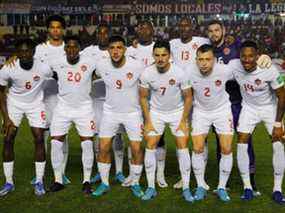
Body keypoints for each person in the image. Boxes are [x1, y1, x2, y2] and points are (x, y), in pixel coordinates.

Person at [139, 40, 193, 202]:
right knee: (150, 146)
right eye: (157, 55)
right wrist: (148, 121)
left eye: (164, 55)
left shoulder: (180, 73)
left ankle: (186, 188)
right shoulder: (147, 73)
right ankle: (150, 187)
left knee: (182, 147)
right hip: (156, 113)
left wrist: (183, 120)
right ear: (153, 55)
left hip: (177, 113)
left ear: (169, 55)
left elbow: (189, 97)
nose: (160, 58)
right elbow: (142, 97)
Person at [92, 35, 144, 198]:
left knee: (136, 149)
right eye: (112, 48)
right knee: (104, 147)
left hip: (132, 113)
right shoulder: (101, 65)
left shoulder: (137, 65)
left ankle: (135, 182)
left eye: (119, 47)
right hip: (110, 113)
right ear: (108, 50)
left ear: (125, 49)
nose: (115, 51)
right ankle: (105, 183)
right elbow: (88, 72)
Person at [0, 39, 52, 196]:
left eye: (27, 51)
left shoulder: (43, 67)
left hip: (36, 105)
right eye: (21, 51)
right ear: (16, 53)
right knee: (8, 138)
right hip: (14, 103)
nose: (24, 54)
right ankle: (9, 182)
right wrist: (6, 118)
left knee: (39, 138)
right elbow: (1, 92)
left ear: (33, 52)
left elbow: (58, 74)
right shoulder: (8, 68)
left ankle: (39, 181)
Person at [48, 36, 96, 195]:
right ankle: (58, 180)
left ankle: (86, 180)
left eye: (75, 47)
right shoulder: (56, 62)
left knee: (87, 143)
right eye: (68, 47)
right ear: (65, 49)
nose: (71, 50)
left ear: (79, 48)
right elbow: (37, 67)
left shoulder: (90, 62)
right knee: (55, 143)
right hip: (63, 108)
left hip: (84, 109)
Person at [82, 23, 126, 184]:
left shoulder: (116, 50)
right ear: (96, 36)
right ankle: (101, 170)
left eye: (105, 33)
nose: (102, 35)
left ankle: (120, 171)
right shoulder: (88, 52)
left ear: (109, 34)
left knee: (118, 135)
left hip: (115, 99)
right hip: (95, 101)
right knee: (97, 136)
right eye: (99, 33)